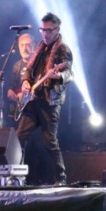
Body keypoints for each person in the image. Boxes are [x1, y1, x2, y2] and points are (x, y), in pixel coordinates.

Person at [16, 12, 74, 186]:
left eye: (49, 30)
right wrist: (26, 81)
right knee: (19, 137)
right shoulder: (39, 48)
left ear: (57, 30)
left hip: (50, 102)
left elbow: (69, 73)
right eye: (43, 30)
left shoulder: (63, 49)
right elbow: (28, 69)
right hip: (33, 100)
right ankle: (16, 175)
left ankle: (60, 178)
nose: (45, 34)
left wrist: (57, 76)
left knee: (50, 141)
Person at [7, 32, 48, 184]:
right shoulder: (16, 66)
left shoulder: (40, 63)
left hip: (39, 111)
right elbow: (12, 87)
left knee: (40, 145)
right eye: (22, 45)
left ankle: (44, 180)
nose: (25, 48)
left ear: (34, 45)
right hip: (24, 111)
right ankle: (21, 177)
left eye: (28, 44)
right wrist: (13, 93)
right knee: (20, 143)